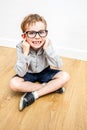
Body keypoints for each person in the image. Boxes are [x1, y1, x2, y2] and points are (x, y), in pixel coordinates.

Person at [9, 14, 70, 111]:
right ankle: (51, 88)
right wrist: (25, 53)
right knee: (13, 83)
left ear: (46, 33)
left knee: (65, 76)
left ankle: (35, 95)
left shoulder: (47, 43)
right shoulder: (20, 46)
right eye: (32, 33)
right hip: (27, 73)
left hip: (45, 72)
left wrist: (47, 49)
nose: (37, 37)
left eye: (41, 32)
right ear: (24, 36)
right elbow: (20, 73)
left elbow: (59, 65)